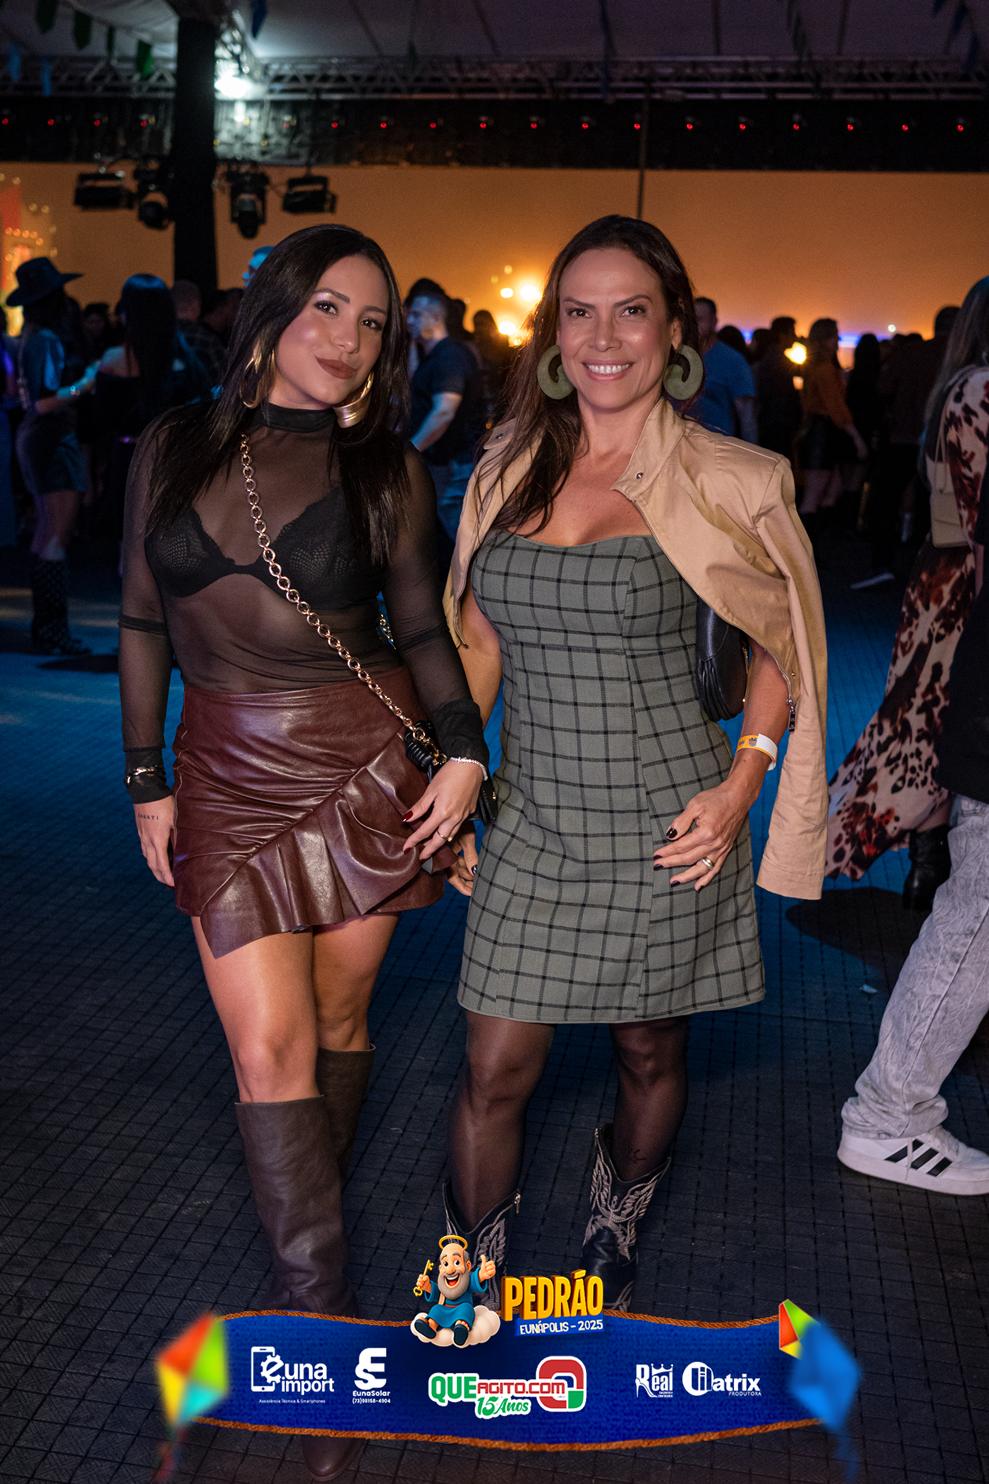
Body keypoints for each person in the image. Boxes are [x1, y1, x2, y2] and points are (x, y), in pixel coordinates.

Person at [118, 224, 488, 1480]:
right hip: (224, 773)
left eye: (372, 322)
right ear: (275, 308)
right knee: (266, 1046)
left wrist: (463, 753)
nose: (349, 337)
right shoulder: (173, 444)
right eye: (329, 306)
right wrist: (145, 778)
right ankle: (322, 1332)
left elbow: (421, 631)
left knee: (334, 1023)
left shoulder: (384, 466)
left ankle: (303, 1241)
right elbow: (139, 619)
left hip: (360, 769)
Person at [439, 215, 828, 1312]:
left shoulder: (732, 477)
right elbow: (478, 643)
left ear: (673, 331)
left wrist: (742, 782)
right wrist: (459, 775)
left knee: (648, 1051)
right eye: (579, 311)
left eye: (629, 311)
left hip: (669, 819)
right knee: (490, 1066)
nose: (602, 337)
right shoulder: (506, 467)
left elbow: (780, 646)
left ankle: (612, 1227)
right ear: (552, 335)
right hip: (530, 815)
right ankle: (468, 1278)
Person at [837, 313, 989, 1194]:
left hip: (952, 598)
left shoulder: (959, 386)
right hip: (956, 606)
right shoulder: (975, 391)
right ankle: (888, 1113)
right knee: (976, 908)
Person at [826, 278, 989, 910]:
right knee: (938, 717)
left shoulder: (957, 384)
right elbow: (978, 512)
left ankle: (927, 867)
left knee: (926, 714)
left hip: (942, 571)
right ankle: (932, 871)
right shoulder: (981, 389)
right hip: (967, 578)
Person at [9, 256, 99, 654]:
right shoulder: (45, 338)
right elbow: (45, 401)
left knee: (46, 532)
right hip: (50, 437)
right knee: (55, 534)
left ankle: (47, 629)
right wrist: (87, 382)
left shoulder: (32, 335)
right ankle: (52, 630)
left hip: (38, 437)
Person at [95, 274, 212, 543]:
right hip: (175, 459)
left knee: (130, 545)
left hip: (130, 458)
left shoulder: (114, 360)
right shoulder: (186, 361)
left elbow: (102, 420)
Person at [406, 288, 485, 542]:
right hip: (445, 463)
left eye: (416, 315)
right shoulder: (434, 356)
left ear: (436, 318)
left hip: (454, 464)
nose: (409, 321)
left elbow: (444, 411)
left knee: (459, 539)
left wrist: (410, 450)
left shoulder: (450, 356)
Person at [796, 318, 868, 545]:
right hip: (822, 433)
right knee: (816, 495)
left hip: (816, 431)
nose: (838, 340)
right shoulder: (825, 369)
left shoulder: (813, 367)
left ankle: (812, 547)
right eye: (835, 336)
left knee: (824, 490)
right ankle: (806, 548)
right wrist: (857, 438)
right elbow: (836, 407)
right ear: (825, 339)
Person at [691, 295, 757, 440]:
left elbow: (747, 416)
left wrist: (750, 449)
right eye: (690, 320)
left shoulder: (732, 361)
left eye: (699, 319)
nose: (693, 325)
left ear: (714, 322)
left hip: (717, 445)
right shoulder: (678, 357)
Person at [755, 315, 802, 459]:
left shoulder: (771, 357)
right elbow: (803, 372)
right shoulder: (778, 360)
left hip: (771, 422)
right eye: (792, 333)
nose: (795, 338)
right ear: (783, 335)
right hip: (778, 424)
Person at [171, 278, 226, 389]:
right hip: (201, 399)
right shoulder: (206, 340)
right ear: (195, 306)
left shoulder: (157, 339)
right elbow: (223, 381)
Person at [472, 308, 513, 426]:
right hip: (480, 400)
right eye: (477, 324)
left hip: (500, 397)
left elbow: (506, 369)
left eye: (483, 324)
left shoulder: (501, 344)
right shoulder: (473, 346)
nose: (480, 328)